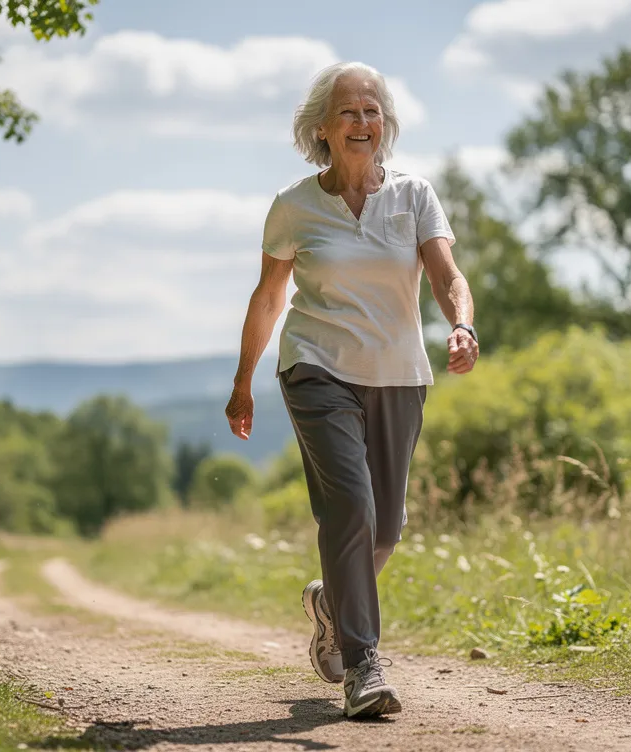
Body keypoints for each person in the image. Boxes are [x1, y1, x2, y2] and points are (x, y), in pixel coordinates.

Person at [225, 61, 478, 719]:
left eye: (372, 111)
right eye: (349, 112)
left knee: (385, 529)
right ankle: (364, 667)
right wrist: (243, 380)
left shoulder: (415, 195)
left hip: (398, 374)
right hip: (316, 367)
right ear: (322, 129)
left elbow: (449, 275)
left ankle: (331, 605)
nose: (363, 122)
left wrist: (462, 325)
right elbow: (271, 295)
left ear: (385, 124)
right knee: (352, 506)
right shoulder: (294, 206)